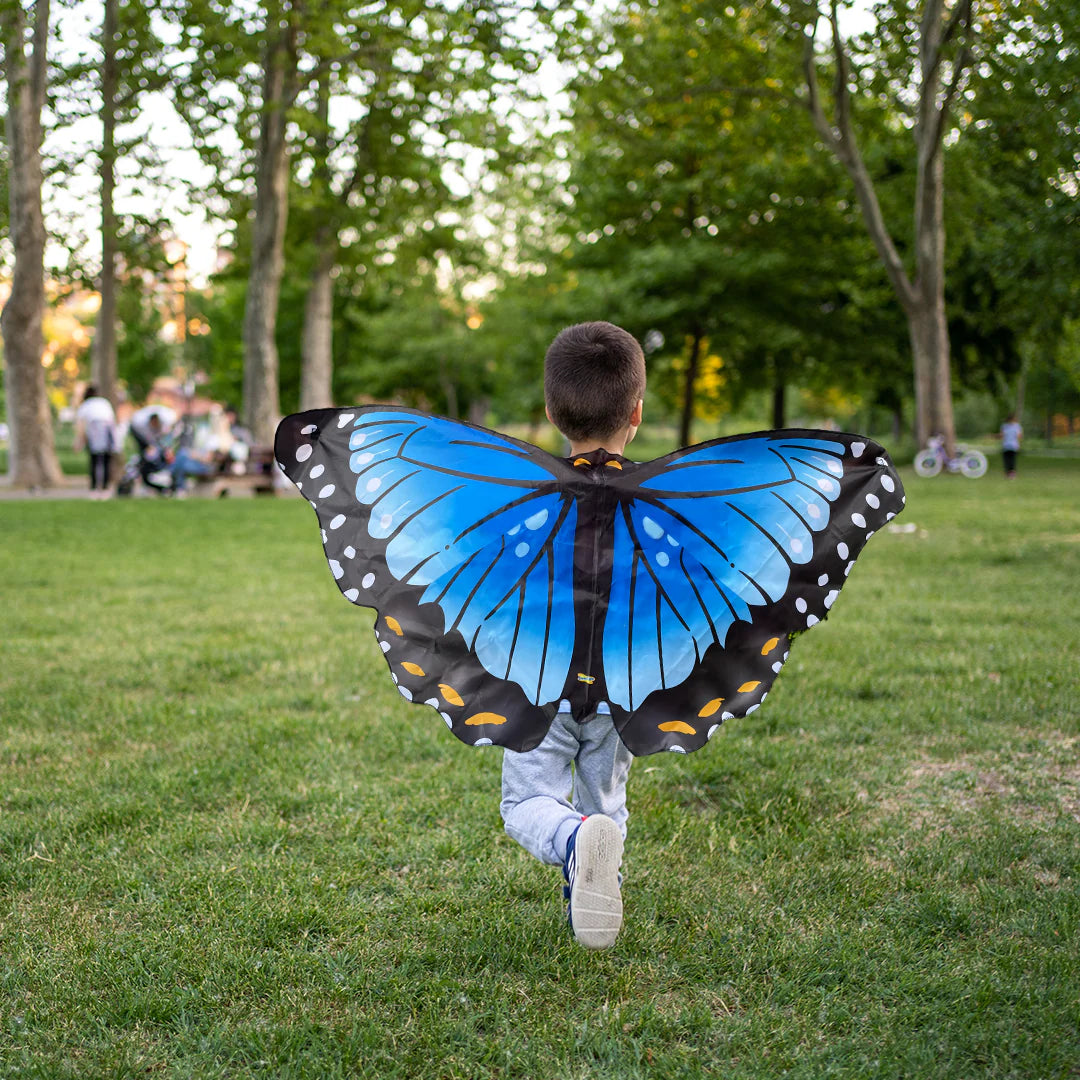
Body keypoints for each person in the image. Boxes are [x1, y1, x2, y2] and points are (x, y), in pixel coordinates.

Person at [499, 321, 645, 950]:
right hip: (622, 686)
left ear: (552, 412)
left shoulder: (522, 498)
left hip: (542, 684)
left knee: (526, 802)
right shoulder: (660, 504)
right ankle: (595, 875)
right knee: (605, 804)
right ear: (636, 413)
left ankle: (572, 843)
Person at [73, 385, 118, 498]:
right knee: (106, 460)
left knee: (94, 459)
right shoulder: (104, 402)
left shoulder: (85, 405)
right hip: (108, 429)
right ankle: (105, 488)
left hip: (95, 428)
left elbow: (81, 426)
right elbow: (112, 420)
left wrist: (79, 442)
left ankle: (94, 488)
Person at [1000, 413, 1022, 479]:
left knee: (1011, 461)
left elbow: (1019, 436)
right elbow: (1002, 435)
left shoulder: (1016, 426)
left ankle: (1011, 474)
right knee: (1007, 461)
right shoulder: (1005, 426)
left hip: (1012, 446)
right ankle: (1008, 474)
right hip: (1007, 446)